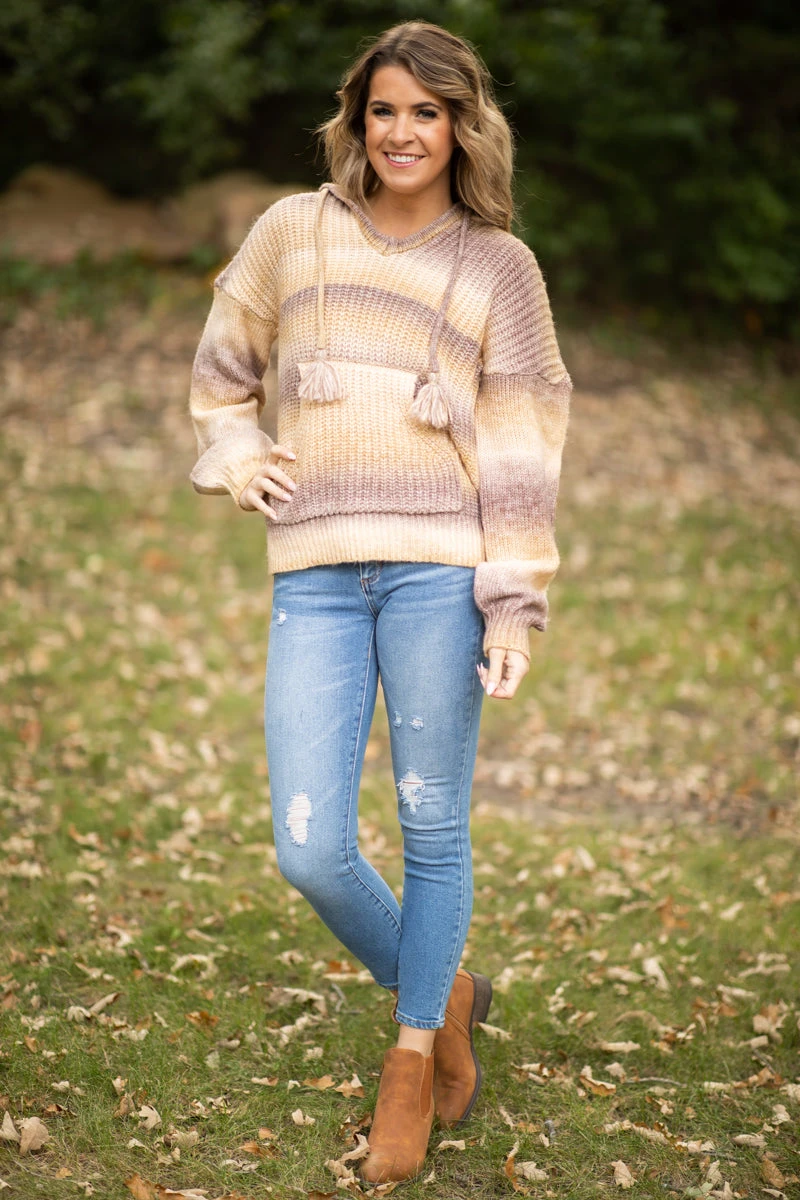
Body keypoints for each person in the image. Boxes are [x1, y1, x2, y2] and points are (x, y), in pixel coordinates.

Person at [188, 19, 571, 1185]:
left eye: (426, 112)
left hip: (436, 576)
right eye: (384, 109)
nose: (403, 132)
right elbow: (222, 375)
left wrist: (511, 603)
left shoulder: (497, 267)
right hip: (313, 575)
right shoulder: (292, 230)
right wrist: (234, 453)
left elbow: (521, 448)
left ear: (461, 126)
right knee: (307, 847)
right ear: (357, 121)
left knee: (431, 823)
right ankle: (441, 989)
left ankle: (410, 1065)